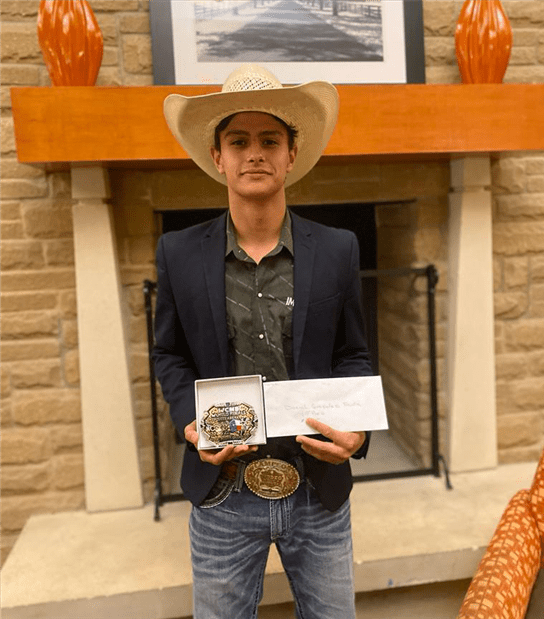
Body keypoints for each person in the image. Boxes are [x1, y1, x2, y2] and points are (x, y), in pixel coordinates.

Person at [153, 64, 372, 619]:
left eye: (269, 140)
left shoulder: (339, 249)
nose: (255, 153)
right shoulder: (177, 254)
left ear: (291, 154)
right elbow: (169, 355)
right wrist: (188, 422)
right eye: (239, 141)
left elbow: (353, 354)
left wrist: (358, 431)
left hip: (316, 492)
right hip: (222, 494)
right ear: (218, 155)